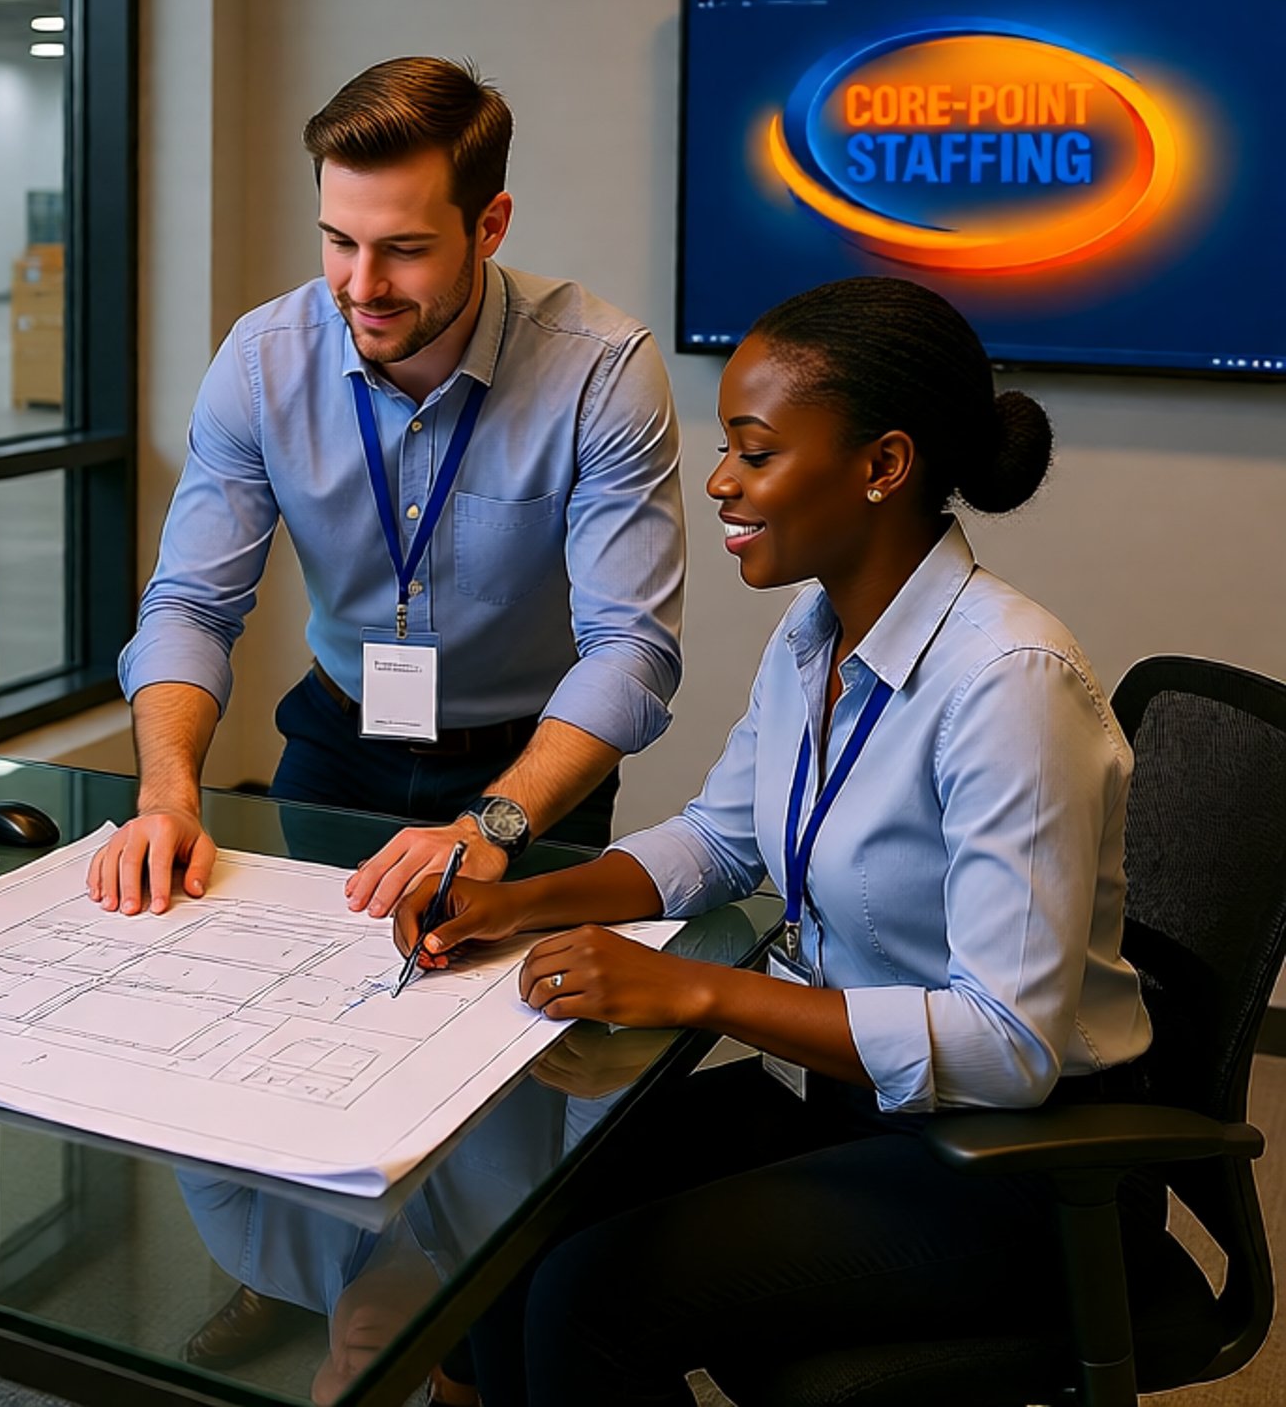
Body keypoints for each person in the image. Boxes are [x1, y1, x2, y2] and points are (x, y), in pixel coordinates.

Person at [391, 275, 1154, 1406]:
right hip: (852, 1112)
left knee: (590, 1296)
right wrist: (525, 899)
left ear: (881, 466)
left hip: (1012, 1171)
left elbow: (1009, 1045)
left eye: (754, 452)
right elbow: (719, 839)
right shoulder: (817, 633)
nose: (720, 481)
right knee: (517, 1219)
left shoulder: (1008, 683)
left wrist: (692, 994)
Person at [92, 56, 684, 919]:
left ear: (490, 225)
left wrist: (490, 826)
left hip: (527, 772)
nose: (361, 287)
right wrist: (168, 798)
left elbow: (630, 649)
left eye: (404, 250)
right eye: (339, 242)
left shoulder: (601, 370)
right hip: (336, 741)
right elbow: (189, 605)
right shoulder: (263, 362)